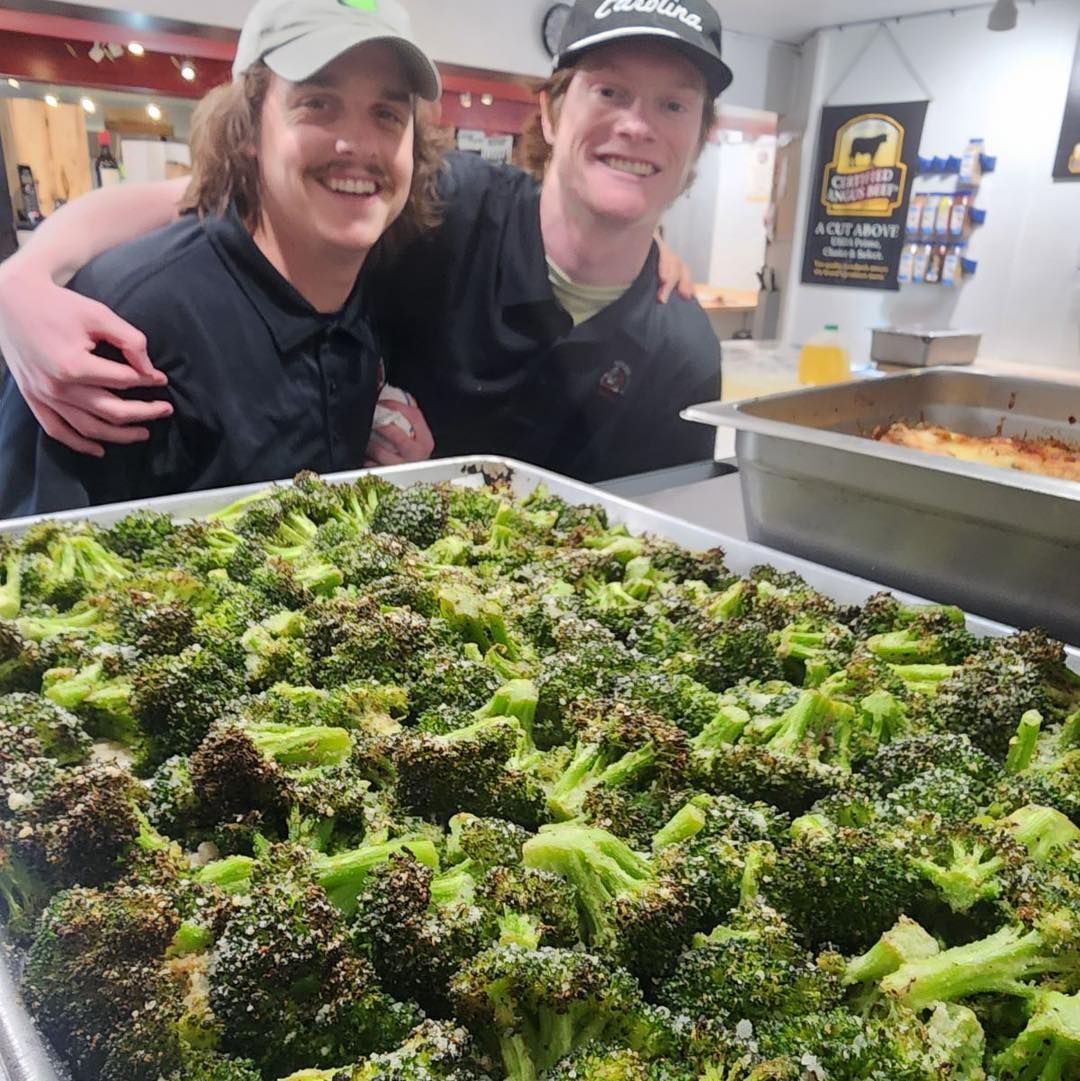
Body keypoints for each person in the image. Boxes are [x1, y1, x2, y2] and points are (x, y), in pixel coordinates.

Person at [0, 0, 730, 485]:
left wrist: (421, 478)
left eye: (673, 103)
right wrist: (24, 279)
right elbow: (200, 205)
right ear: (550, 111)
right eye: (608, 92)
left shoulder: (684, 349)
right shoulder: (450, 211)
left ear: (701, 136)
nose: (637, 125)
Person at [0, 0, 443, 517]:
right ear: (251, 128)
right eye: (318, 103)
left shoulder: (377, 282)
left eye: (388, 114)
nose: (358, 144)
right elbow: (30, 570)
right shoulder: (125, 321)